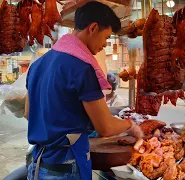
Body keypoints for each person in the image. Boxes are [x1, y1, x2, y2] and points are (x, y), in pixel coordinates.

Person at [24, 2, 143, 180]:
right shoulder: (82, 68)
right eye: (106, 37)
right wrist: (130, 126)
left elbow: (28, 113)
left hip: (38, 164)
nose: (105, 44)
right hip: (66, 167)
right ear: (93, 28)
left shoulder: (38, 65)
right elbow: (106, 127)